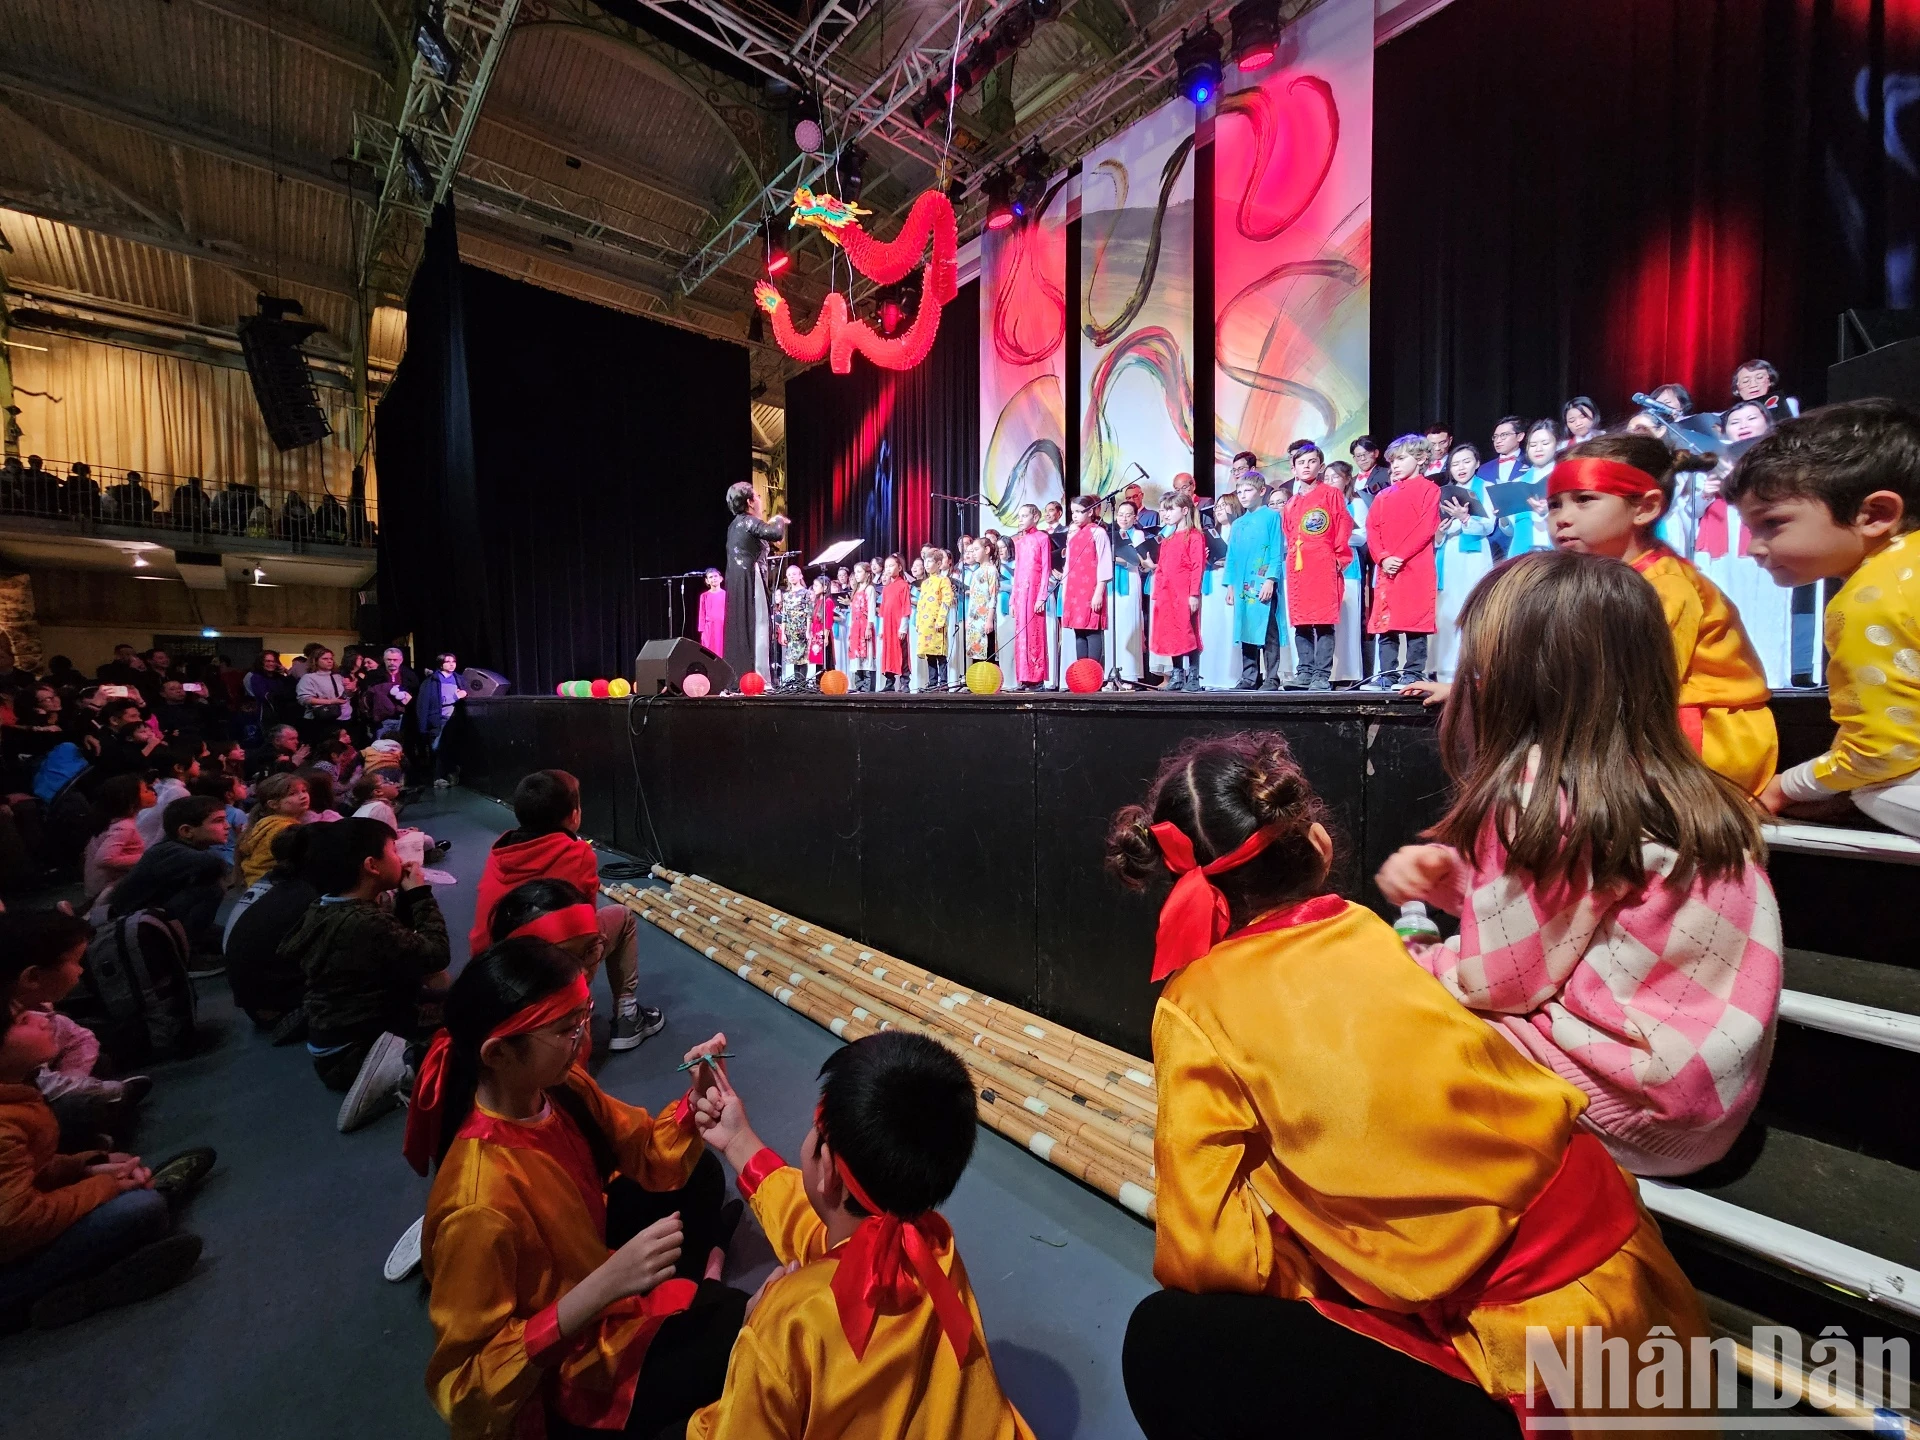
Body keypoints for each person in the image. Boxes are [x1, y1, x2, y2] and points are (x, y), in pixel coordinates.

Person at [1104, 730, 1711, 1440]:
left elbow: (1203, 1252)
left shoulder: (1195, 1004)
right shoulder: (1363, 929)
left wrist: (1307, 1262)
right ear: (1319, 847)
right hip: (1642, 1289)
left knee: (1167, 1337)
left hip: (1537, 1356)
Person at [1380, 550, 1783, 1174]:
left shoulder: (1542, 792)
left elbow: (1501, 986)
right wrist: (1463, 884)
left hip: (1630, 1114)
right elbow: (1590, 911)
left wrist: (1415, 955)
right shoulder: (1682, 785)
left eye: (1480, 668)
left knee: (1377, 978)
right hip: (1704, 1112)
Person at [416, 940, 744, 1440]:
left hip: (588, 1264)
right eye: (568, 1028)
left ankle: (687, 1284)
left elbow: (644, 1150)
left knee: (700, 1177)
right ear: (499, 1052)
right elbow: (465, 1390)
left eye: (584, 1016)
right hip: (561, 1366)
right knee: (744, 1333)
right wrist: (605, 1284)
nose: (584, 1037)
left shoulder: (560, 1087)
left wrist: (693, 1100)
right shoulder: (478, 1202)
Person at [685, 1030, 1035, 1439]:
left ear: (828, 1168)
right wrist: (739, 1141)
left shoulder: (789, 1323)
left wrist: (753, 1330)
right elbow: (819, 1224)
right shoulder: (937, 1248)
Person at [1728, 399, 1920, 832]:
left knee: (1873, 790)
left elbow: (1883, 752)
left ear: (1876, 514)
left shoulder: (1870, 597)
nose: (1753, 548)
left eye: (1772, 523)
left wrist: (1785, 787)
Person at [1548, 436, 1779, 794]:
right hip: (1650, 724)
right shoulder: (1605, 580)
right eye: (1554, 505)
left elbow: (1644, 685)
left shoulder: (1664, 585)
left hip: (1708, 738)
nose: (1562, 519)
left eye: (1583, 500)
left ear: (1645, 507)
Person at [0, 986, 210, 1330]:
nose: (43, 1018)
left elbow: (26, 1171)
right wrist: (105, 1186)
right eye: (24, 1019)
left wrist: (87, 1166)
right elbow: (17, 1224)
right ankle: (74, 1291)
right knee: (140, 1210)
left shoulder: (15, 1092)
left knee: (127, 1194)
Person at [469, 768, 662, 1052]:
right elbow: (586, 931)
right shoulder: (578, 853)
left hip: (492, 978)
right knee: (621, 917)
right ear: (574, 815)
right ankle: (627, 1016)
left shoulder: (499, 852)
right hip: (544, 975)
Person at [279, 817, 450, 1131]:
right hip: (354, 1055)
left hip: (332, 1041)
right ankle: (396, 1073)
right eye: (394, 852)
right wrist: (421, 896)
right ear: (372, 865)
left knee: (441, 989)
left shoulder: (327, 907)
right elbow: (435, 953)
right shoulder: (364, 922)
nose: (402, 859)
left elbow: (401, 946)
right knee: (471, 1022)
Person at [5, 911, 149, 1146]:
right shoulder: (9, 1029)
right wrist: (111, 1091)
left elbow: (78, 1037)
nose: (81, 970)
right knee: (77, 1110)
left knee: (100, 1060)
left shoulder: (38, 1007)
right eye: (75, 962)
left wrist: (75, 1080)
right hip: (17, 1106)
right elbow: (42, 1084)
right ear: (32, 977)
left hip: (43, 1082)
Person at [224, 822, 322, 1035]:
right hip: (278, 1004)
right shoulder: (313, 896)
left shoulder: (279, 885)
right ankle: (309, 1010)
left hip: (255, 1002)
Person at [110, 795, 232, 955]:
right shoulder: (170, 851)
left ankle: (193, 936)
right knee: (212, 889)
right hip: (132, 926)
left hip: (143, 916)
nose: (227, 826)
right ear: (186, 831)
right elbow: (218, 864)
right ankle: (185, 949)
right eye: (218, 821)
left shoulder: (172, 847)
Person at [1364, 435, 1441, 687]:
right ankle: (1386, 674)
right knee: (1387, 623)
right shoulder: (1383, 495)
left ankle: (1413, 673)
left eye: (1401, 459)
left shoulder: (1430, 490)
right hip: (1387, 568)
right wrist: (1384, 557)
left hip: (1415, 566)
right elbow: (1372, 529)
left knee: (1415, 621)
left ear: (1420, 459)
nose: (1394, 465)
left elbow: (1426, 527)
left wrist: (1400, 555)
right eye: (1392, 461)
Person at [1433, 443, 1498, 683]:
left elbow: (1489, 525)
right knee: (1448, 610)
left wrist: (1465, 517)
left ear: (1477, 463)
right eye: (1456, 463)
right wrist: (1440, 532)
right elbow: (1436, 536)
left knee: (1473, 608)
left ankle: (1474, 667)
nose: (1461, 467)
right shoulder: (1442, 493)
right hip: (1448, 555)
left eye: (1466, 461)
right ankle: (1446, 669)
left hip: (1474, 556)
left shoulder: (1486, 489)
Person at [723, 482, 790, 685]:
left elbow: (761, 539)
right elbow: (776, 533)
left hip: (736, 581)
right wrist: (778, 519)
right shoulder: (749, 521)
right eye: (758, 497)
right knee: (758, 624)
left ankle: (742, 678)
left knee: (741, 626)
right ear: (751, 502)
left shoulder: (735, 525)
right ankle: (759, 678)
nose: (760, 501)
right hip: (751, 579)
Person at [1224, 473, 1284, 689]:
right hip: (1242, 584)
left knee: (1268, 629)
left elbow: (1276, 549)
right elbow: (1232, 556)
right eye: (1239, 492)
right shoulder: (1238, 523)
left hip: (1262, 581)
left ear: (1261, 491)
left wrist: (1270, 579)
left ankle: (1271, 677)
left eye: (1247, 490)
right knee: (1245, 627)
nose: (1242, 495)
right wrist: (1230, 584)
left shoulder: (1271, 517)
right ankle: (1249, 676)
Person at [1151, 491, 1207, 692]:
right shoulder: (1167, 539)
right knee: (1172, 633)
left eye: (1170, 509)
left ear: (1184, 511)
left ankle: (1193, 676)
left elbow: (1197, 566)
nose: (1165, 514)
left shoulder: (1194, 537)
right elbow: (1161, 568)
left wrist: (1193, 594)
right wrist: (1157, 594)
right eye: (1163, 510)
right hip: (1167, 594)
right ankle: (1177, 675)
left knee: (1188, 631)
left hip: (1184, 593)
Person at [82, 773, 151, 909]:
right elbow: (104, 859)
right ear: (131, 800)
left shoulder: (112, 820)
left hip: (97, 887)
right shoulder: (124, 826)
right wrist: (147, 856)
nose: (151, 792)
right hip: (107, 891)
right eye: (146, 791)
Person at [233, 772, 311, 887]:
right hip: (271, 886)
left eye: (304, 791)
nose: (303, 796)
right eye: (292, 793)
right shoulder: (283, 829)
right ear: (273, 804)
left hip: (256, 884)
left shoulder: (264, 823)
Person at [1501, 418, 1561, 555]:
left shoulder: (1564, 477)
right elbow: (1511, 531)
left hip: (1555, 553)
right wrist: (1503, 515)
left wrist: (1548, 511)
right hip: (1523, 554)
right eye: (1533, 445)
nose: (1538, 449)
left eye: (1545, 443)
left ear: (1557, 445)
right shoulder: (1518, 482)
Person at [1008, 507, 1052, 692]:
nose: (1021, 519)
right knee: (1021, 636)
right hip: (1020, 592)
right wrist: (1012, 599)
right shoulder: (1019, 542)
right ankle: (1024, 678)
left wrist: (1042, 596)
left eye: (1025, 516)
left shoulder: (1042, 538)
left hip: (1034, 592)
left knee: (1035, 633)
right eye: (1019, 516)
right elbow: (1017, 571)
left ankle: (1037, 678)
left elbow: (1046, 569)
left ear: (1036, 517)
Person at [133, 746, 198, 848]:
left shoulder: (159, 785)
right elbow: (166, 828)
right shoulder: (179, 792)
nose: (198, 764)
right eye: (194, 761)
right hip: (150, 846)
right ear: (179, 768)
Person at [419, 653, 466, 785]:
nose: (452, 664)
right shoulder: (432, 681)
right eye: (448, 661)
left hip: (455, 719)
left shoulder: (459, 679)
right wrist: (455, 697)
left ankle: (451, 774)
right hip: (439, 720)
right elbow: (426, 703)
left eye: (454, 661)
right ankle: (438, 777)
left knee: (452, 748)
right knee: (437, 748)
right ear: (441, 664)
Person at [916, 550, 957, 690]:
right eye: (925, 561)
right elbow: (920, 603)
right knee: (929, 653)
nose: (926, 564)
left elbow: (947, 600)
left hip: (937, 623)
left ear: (938, 564)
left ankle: (943, 682)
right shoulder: (925, 583)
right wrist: (918, 621)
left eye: (930, 562)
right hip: (925, 624)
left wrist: (941, 619)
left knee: (939, 652)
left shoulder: (943, 580)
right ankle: (932, 682)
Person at [877, 555, 912, 692]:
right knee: (888, 653)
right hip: (887, 627)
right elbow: (883, 611)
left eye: (892, 565)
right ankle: (889, 681)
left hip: (898, 626)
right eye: (887, 566)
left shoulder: (903, 585)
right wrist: (881, 629)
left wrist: (903, 627)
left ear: (899, 567)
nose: (889, 569)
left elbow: (905, 607)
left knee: (901, 653)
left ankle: (905, 682)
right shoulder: (886, 588)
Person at [1729, 357, 1798, 427]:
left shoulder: (1788, 404)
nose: (1753, 385)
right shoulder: (1730, 416)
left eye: (1759, 378)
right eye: (1745, 381)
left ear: (1770, 381)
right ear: (1737, 388)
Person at [964, 539, 999, 672]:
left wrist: (989, 619)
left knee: (986, 651)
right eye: (972, 550)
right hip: (974, 619)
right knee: (975, 652)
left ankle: (987, 682)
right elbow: (973, 598)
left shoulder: (991, 570)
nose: (974, 553)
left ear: (987, 550)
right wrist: (969, 618)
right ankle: (977, 681)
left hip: (985, 618)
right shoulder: (976, 572)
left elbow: (993, 596)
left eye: (976, 549)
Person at [775, 565, 812, 692]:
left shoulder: (806, 593)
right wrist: (783, 633)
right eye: (789, 574)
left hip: (801, 630)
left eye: (794, 574)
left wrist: (808, 631)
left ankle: (802, 684)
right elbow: (784, 615)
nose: (791, 577)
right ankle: (797, 684)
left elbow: (809, 613)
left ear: (800, 575)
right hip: (791, 631)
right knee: (794, 659)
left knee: (802, 658)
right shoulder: (786, 595)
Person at [696, 568, 727, 660]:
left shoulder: (726, 594)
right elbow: (702, 613)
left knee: (722, 650)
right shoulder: (704, 596)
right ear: (707, 581)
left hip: (722, 627)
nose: (714, 579)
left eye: (715, 576)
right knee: (709, 651)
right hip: (709, 628)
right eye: (711, 577)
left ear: (721, 578)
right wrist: (702, 630)